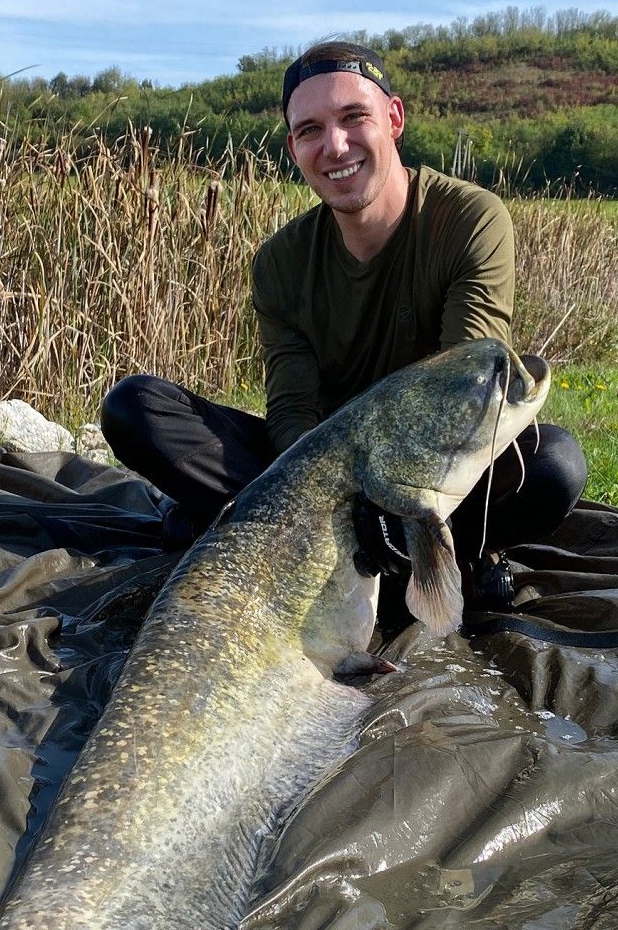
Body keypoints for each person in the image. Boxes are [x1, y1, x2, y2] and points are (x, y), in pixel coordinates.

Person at [101, 40, 587, 619]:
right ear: (293, 148)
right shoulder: (280, 262)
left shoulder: (469, 218)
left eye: (354, 117)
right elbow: (292, 414)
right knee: (136, 407)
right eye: (310, 130)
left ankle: (296, 540)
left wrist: (394, 499)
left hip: (434, 468)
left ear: (394, 119)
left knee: (554, 465)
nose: (335, 146)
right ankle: (362, 553)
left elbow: (464, 385)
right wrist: (334, 498)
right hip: (324, 473)